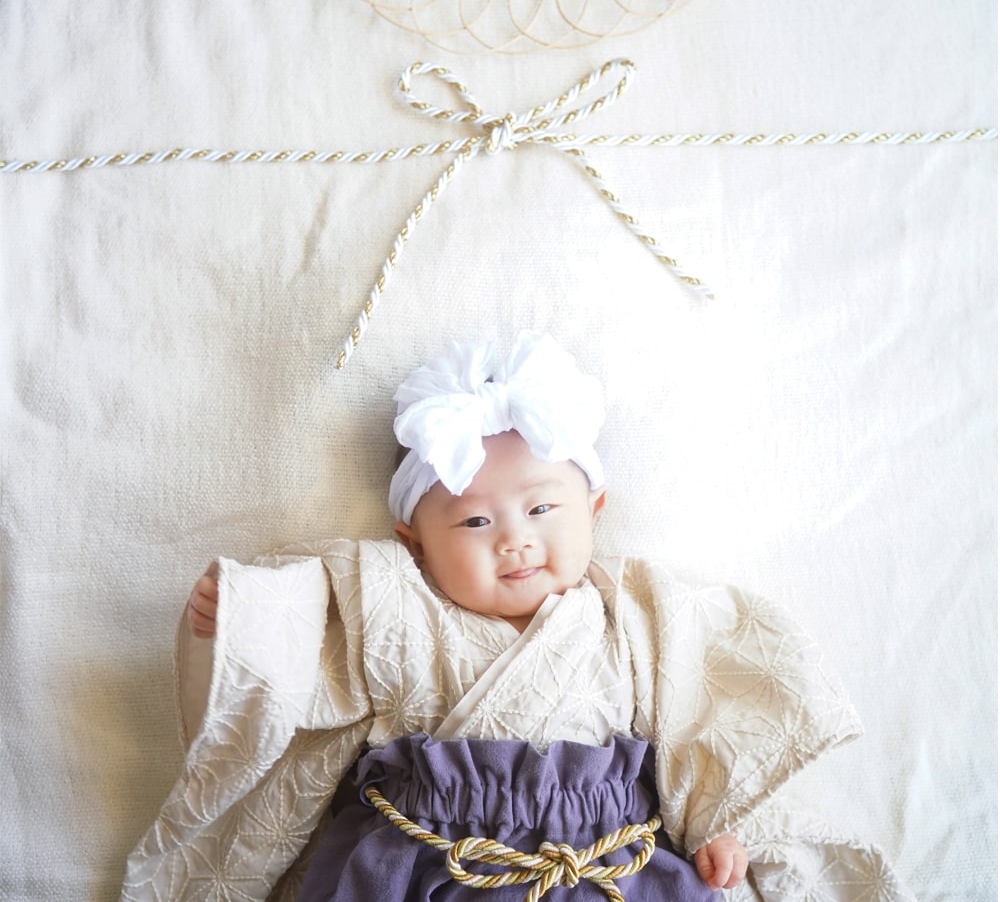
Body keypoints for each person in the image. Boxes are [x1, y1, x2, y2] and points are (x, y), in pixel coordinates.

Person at [123, 332, 910, 902]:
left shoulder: (634, 616)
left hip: (610, 869)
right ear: (415, 543)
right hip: (423, 868)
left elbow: (704, 724)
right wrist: (249, 627)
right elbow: (309, 641)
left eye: (542, 507)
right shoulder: (396, 604)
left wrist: (716, 824)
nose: (515, 540)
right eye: (474, 524)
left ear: (595, 508)